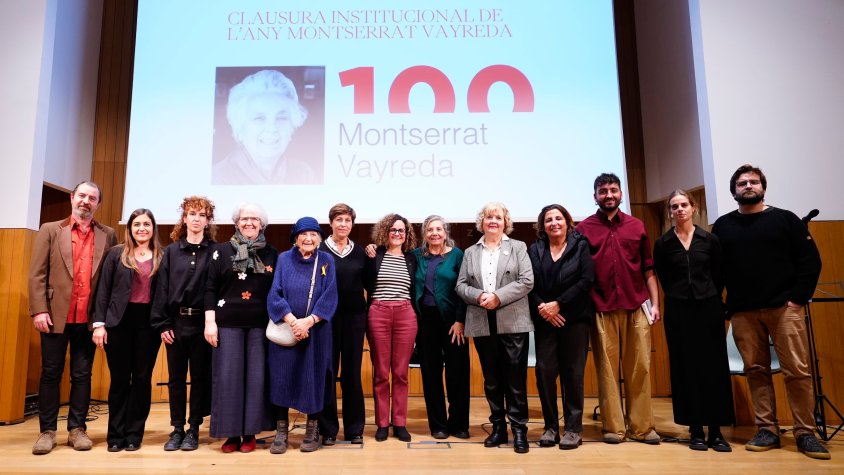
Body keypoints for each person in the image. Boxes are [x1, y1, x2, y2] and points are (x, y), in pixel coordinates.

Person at [712, 164, 828, 460]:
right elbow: (715, 271)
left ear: (763, 187)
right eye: (742, 183)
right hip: (743, 313)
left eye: (753, 182)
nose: (748, 186)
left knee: (797, 372)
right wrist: (725, 307)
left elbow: (810, 261)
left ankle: (805, 433)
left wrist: (797, 300)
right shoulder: (723, 226)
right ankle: (768, 430)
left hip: (784, 310)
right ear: (733, 190)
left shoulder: (785, 220)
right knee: (756, 371)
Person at [28, 181, 118, 455]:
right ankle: (47, 431)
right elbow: (37, 273)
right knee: (51, 373)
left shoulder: (109, 234)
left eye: (92, 198)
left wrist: (103, 319)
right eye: (82, 196)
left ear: (98, 204)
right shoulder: (50, 230)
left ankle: (77, 429)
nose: (86, 201)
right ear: (72, 198)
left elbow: (110, 280)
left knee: (82, 374)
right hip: (55, 315)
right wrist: (39, 309)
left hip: (89, 319)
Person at [575, 172, 661, 445]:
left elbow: (648, 269)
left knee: (641, 369)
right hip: (601, 308)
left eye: (613, 190)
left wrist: (656, 304)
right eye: (603, 191)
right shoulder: (584, 229)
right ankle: (614, 428)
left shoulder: (637, 226)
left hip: (637, 305)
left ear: (621, 193)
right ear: (595, 196)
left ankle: (643, 428)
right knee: (607, 370)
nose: (608, 195)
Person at [653, 190, 734, 452]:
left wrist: (710, 296)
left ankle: (716, 430)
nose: (679, 210)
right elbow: (663, 277)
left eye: (683, 205)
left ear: (694, 207)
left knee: (714, 367)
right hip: (678, 310)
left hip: (709, 307)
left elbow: (720, 274)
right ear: (670, 212)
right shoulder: (663, 243)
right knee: (685, 368)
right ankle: (695, 429)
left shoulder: (709, 240)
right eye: (674, 206)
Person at [456, 202, 534, 454]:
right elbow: (461, 285)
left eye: (498, 217)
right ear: (482, 222)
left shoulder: (518, 247)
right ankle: (498, 428)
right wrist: (479, 296)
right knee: (491, 380)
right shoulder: (470, 252)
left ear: (505, 222)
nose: (493, 221)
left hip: (512, 320)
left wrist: (498, 296)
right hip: (481, 320)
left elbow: (527, 281)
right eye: (488, 217)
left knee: (514, 379)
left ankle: (519, 430)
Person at [204, 203, 278, 453]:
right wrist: (210, 322)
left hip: (260, 324)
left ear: (262, 224)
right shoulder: (220, 252)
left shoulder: (271, 253)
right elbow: (210, 288)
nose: (249, 223)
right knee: (228, 379)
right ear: (236, 223)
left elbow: (277, 291)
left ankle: (250, 434)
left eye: (254, 219)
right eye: (244, 218)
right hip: (226, 323)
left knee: (256, 379)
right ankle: (231, 434)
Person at [92, 208, 163, 452]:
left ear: (153, 228)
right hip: (118, 323)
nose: (141, 228)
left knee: (142, 379)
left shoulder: (161, 256)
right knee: (120, 379)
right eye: (137, 224)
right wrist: (99, 324)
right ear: (130, 228)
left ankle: (134, 435)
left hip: (149, 325)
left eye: (146, 224)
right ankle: (116, 435)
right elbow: (103, 290)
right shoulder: (115, 254)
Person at [266, 217, 338, 454]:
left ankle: (312, 428)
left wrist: (308, 322)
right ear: (295, 238)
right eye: (303, 234)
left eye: (314, 234)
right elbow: (274, 295)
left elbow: (330, 296)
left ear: (319, 238)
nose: (309, 239)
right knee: (281, 378)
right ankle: (281, 430)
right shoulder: (284, 259)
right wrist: (292, 321)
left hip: (316, 332)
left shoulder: (326, 260)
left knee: (314, 379)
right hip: (287, 330)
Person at [150, 196, 216, 451]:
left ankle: (194, 429)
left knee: (200, 378)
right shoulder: (171, 252)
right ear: (184, 218)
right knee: (176, 379)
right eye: (192, 214)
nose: (197, 218)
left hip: (203, 324)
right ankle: (177, 428)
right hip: (175, 324)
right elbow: (161, 289)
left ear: (208, 220)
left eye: (202, 215)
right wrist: (163, 323)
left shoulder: (216, 251)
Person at [527, 204, 594, 450]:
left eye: (558, 218)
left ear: (567, 221)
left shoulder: (581, 245)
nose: (554, 223)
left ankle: (574, 429)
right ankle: (551, 427)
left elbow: (586, 280)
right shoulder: (535, 249)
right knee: (544, 373)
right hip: (545, 319)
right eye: (548, 220)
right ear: (542, 225)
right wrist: (544, 307)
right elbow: (529, 284)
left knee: (573, 373)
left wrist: (559, 304)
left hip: (574, 319)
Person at [412, 215, 470, 440]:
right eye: (430, 230)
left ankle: (459, 424)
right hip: (425, 321)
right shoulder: (417, 256)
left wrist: (460, 319)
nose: (434, 233)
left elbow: (464, 288)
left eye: (438, 229)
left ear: (445, 233)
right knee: (430, 373)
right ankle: (438, 425)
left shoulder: (457, 255)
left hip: (453, 321)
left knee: (458, 373)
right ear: (424, 234)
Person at [365, 213, 418, 443]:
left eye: (401, 231)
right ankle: (382, 424)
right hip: (378, 312)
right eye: (393, 230)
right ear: (385, 232)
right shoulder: (374, 255)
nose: (397, 234)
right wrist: (369, 248)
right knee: (380, 373)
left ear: (406, 235)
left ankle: (399, 422)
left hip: (406, 314)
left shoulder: (412, 259)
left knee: (400, 373)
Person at [317, 204, 368, 445]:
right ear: (331, 223)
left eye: (347, 220)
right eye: (339, 219)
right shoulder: (317, 250)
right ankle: (327, 429)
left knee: (351, 374)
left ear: (352, 224)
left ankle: (354, 429)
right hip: (324, 320)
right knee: (327, 373)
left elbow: (370, 285)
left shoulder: (360, 253)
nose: (343, 224)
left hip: (354, 320)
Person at [213, 69, 314, 185]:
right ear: (239, 129)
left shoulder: (304, 173)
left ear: (292, 128)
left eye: (281, 118)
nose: (272, 128)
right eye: (259, 119)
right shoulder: (219, 177)